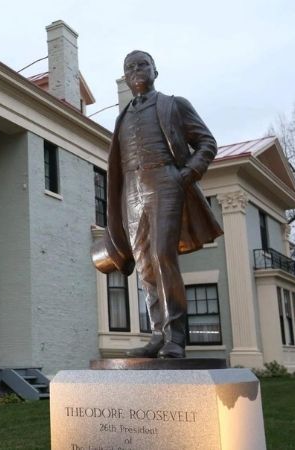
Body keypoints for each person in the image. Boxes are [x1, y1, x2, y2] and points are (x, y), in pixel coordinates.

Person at [94, 50, 223, 358]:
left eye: (143, 64)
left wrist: (186, 174)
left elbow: (207, 142)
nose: (136, 70)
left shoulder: (173, 105)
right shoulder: (121, 117)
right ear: (125, 77)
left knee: (163, 254)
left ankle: (175, 337)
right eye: (130, 67)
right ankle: (157, 334)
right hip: (132, 192)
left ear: (155, 70)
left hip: (166, 181)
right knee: (144, 263)